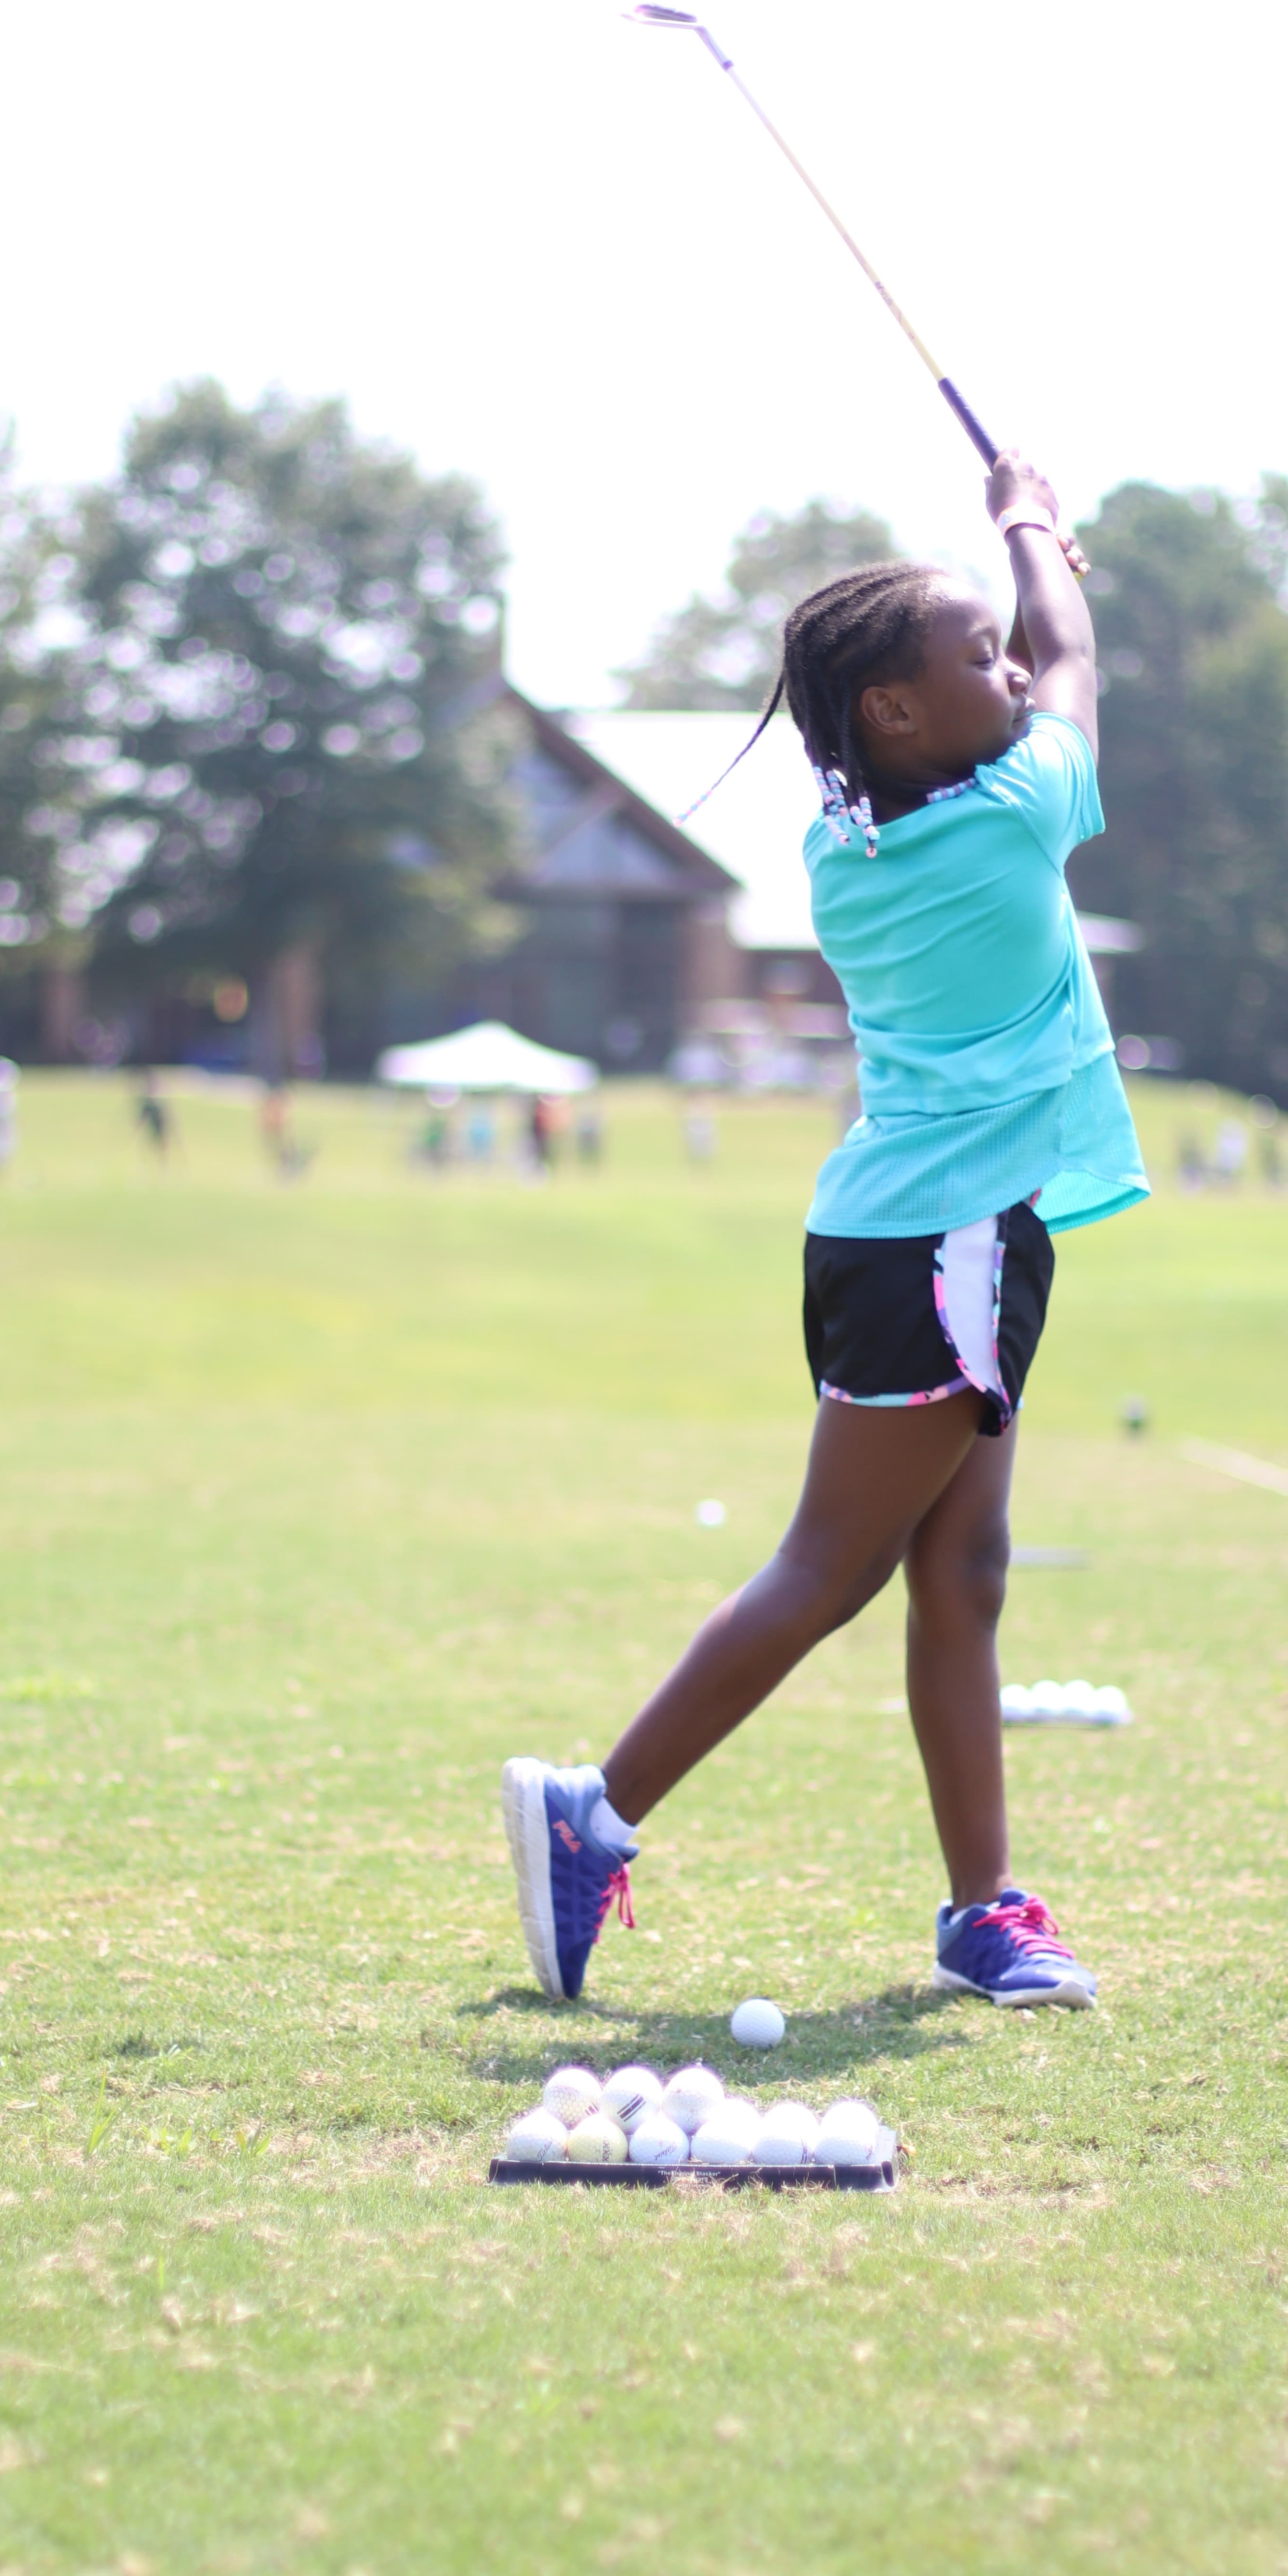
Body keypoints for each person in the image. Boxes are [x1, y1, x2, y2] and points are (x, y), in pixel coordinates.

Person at [502, 452, 1149, 2011]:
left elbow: (1044, 657)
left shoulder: (852, 849)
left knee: (965, 1569)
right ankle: (594, 1812)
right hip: (945, 1256)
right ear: (895, 715)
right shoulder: (1008, 822)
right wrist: (1030, 522)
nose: (1003, 664)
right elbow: (1074, 651)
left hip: (922, 1241)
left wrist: (1024, 552)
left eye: (991, 645)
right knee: (830, 1572)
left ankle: (982, 1911)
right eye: (967, 656)